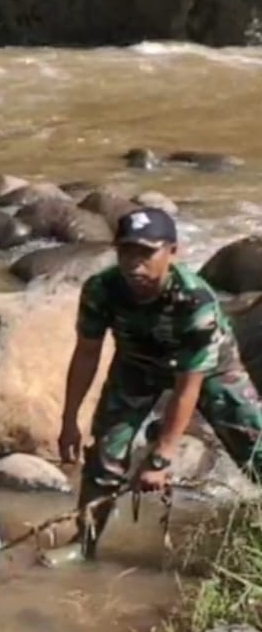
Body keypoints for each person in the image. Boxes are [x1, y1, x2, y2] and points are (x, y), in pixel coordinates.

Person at [48, 206, 262, 566]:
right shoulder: (102, 289)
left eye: (146, 253)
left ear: (172, 252)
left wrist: (162, 457)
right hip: (137, 366)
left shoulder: (196, 302)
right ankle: (84, 542)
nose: (135, 264)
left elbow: (187, 387)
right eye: (126, 252)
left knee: (255, 446)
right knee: (103, 457)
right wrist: (69, 420)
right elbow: (86, 354)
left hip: (208, 372)